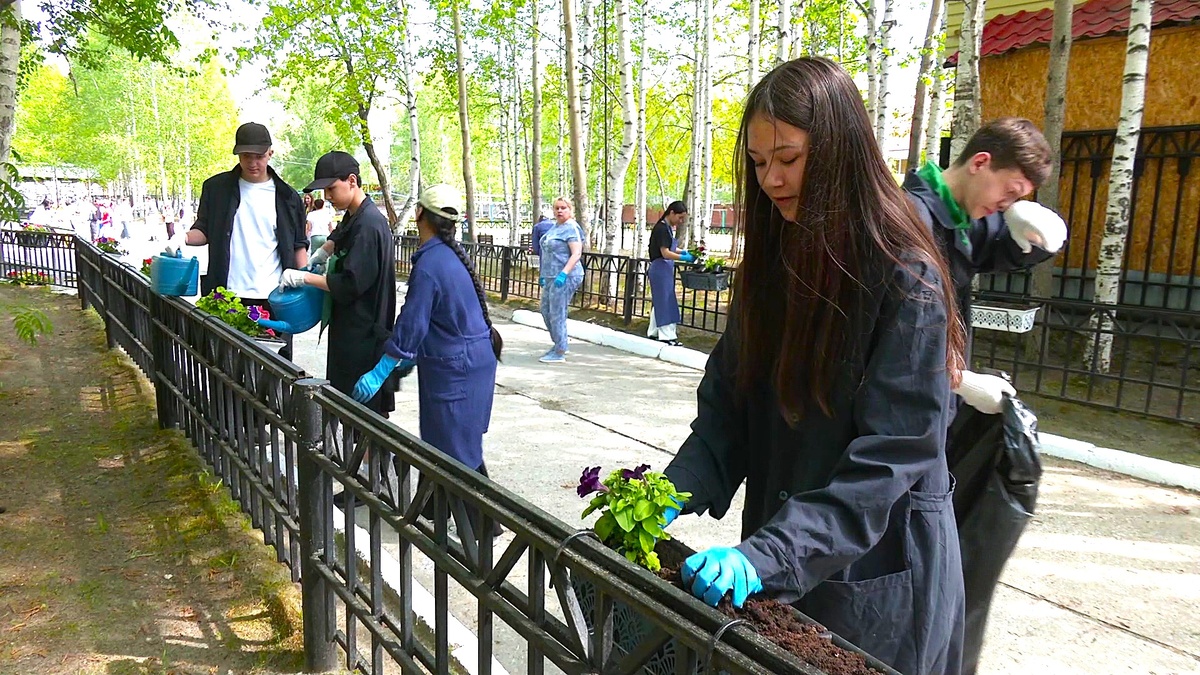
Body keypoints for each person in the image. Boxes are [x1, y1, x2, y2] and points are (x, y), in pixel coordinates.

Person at [662, 57, 967, 675]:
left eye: (789, 158)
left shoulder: (906, 277)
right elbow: (728, 408)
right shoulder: (772, 266)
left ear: (838, 153)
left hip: (876, 573)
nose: (771, 178)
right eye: (757, 161)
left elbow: (892, 455)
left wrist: (768, 554)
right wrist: (667, 492)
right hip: (785, 549)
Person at [351, 184, 504, 536]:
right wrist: (410, 357)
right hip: (465, 363)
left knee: (454, 449)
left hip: (457, 370)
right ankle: (440, 512)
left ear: (420, 214)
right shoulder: (447, 255)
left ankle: (476, 532)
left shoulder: (432, 263)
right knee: (449, 441)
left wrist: (383, 367)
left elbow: (413, 321)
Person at [904, 117, 1068, 415]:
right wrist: (956, 379)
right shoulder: (911, 218)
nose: (1008, 204)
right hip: (903, 406)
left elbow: (1000, 248)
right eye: (1011, 191)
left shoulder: (964, 218)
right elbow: (899, 327)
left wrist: (1041, 235)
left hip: (931, 400)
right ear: (980, 163)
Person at [170, 122, 308, 360]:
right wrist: (182, 237)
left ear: (270, 154)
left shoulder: (288, 197)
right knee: (227, 369)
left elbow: (298, 244)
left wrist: (304, 282)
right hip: (227, 296)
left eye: (259, 156)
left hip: (273, 298)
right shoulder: (216, 189)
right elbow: (204, 230)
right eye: (246, 156)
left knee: (276, 369)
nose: (253, 163)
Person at [275, 151, 397, 414]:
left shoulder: (370, 225)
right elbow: (341, 233)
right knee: (346, 411)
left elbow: (351, 284)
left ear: (352, 181)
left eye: (332, 188)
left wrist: (305, 277)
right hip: (350, 332)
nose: (327, 197)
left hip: (364, 337)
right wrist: (323, 252)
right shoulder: (355, 215)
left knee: (363, 420)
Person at [537, 198, 585, 363]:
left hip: (566, 275)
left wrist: (564, 274)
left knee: (557, 312)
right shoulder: (555, 227)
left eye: (563, 208)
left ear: (570, 209)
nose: (559, 211)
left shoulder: (572, 228)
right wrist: (543, 274)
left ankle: (560, 349)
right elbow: (547, 252)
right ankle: (559, 342)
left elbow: (576, 253)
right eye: (556, 208)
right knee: (545, 310)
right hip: (550, 275)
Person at [646, 201, 695, 346]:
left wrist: (685, 251)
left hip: (664, 268)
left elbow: (671, 247)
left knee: (660, 300)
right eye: (680, 218)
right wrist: (684, 258)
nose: (680, 221)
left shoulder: (666, 228)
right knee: (666, 302)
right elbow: (665, 252)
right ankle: (667, 335)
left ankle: (653, 331)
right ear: (671, 213)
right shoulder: (662, 228)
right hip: (660, 267)